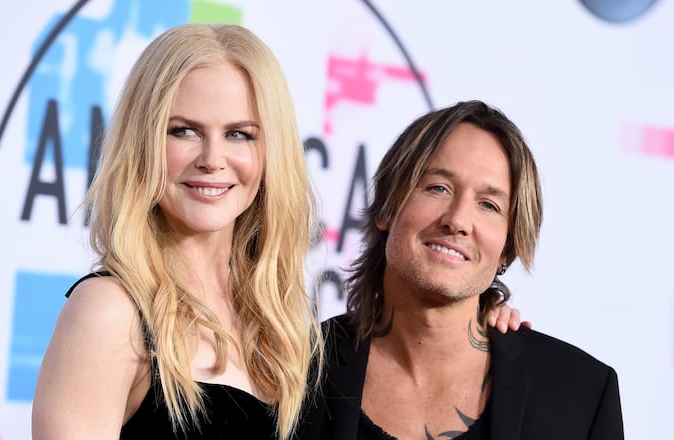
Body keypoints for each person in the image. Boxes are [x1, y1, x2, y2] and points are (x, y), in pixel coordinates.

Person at [31, 24, 526, 439]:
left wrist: (481, 326)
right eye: (182, 130)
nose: (211, 159)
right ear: (141, 143)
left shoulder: (282, 330)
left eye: (239, 134)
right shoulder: (108, 313)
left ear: (271, 155)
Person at [296, 100, 624, 439]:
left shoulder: (580, 394)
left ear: (507, 249)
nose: (457, 220)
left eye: (488, 205)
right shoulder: (291, 372)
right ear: (387, 208)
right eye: (438, 188)